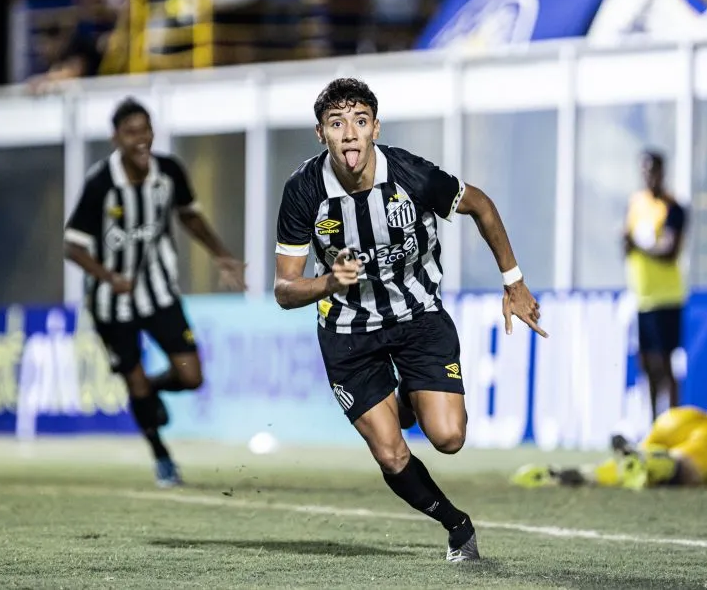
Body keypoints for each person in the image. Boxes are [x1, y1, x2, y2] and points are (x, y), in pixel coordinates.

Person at [273, 78, 547, 562]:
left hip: (418, 315)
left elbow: (480, 205)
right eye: (337, 124)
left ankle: (404, 395)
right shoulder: (303, 192)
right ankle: (456, 525)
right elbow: (285, 290)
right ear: (321, 134)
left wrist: (514, 280)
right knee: (391, 453)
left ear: (375, 127)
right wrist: (330, 284)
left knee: (449, 438)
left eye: (360, 121)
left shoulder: (409, 176)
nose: (350, 134)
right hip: (348, 333)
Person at [64, 97, 245, 487]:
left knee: (192, 376)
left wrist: (222, 256)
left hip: (159, 292)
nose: (141, 139)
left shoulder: (169, 172)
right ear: (116, 138)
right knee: (133, 379)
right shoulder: (101, 184)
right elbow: (72, 246)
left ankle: (150, 393)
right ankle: (162, 457)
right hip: (112, 304)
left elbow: (189, 216)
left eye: (145, 129)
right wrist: (109, 277)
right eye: (131, 133)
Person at [510, 406, 707, 490]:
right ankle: (649, 465)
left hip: (691, 419)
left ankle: (568, 474)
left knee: (643, 457)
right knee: (683, 468)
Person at [623, 150, 688, 420]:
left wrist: (639, 245)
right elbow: (626, 242)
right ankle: (653, 423)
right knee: (647, 364)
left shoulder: (674, 208)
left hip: (667, 297)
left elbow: (669, 251)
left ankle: (671, 422)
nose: (649, 176)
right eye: (645, 170)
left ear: (662, 172)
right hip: (643, 296)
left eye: (654, 170)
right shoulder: (636, 203)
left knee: (665, 364)